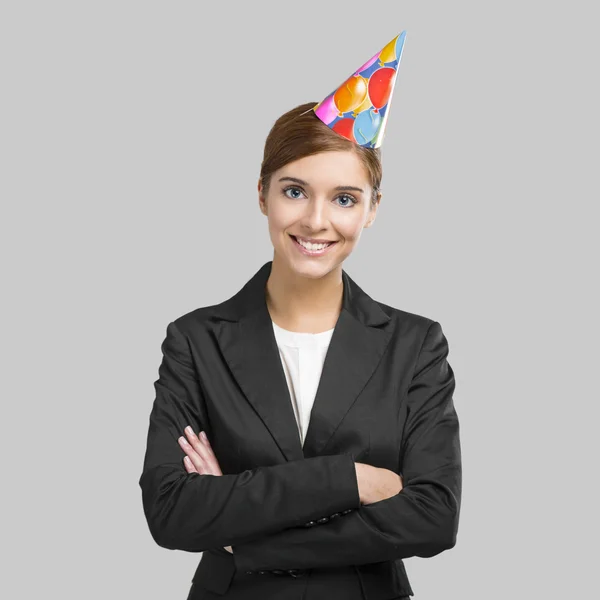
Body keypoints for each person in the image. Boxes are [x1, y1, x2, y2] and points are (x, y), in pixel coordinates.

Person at [139, 32, 461, 600]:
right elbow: (171, 511)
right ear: (262, 194)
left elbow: (433, 518)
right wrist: (351, 480)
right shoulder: (195, 340)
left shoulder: (415, 345)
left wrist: (247, 531)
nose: (317, 221)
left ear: (372, 211)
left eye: (344, 199)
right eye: (295, 191)